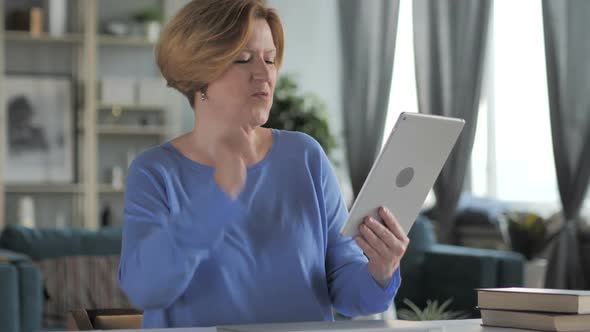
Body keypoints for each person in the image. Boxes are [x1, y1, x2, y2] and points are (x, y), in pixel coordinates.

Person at [118, 0, 409, 328]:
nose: (264, 73)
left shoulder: (305, 157)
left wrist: (381, 271)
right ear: (199, 77)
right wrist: (218, 197)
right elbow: (145, 289)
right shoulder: (156, 172)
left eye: (270, 59)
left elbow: (350, 294)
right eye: (243, 59)